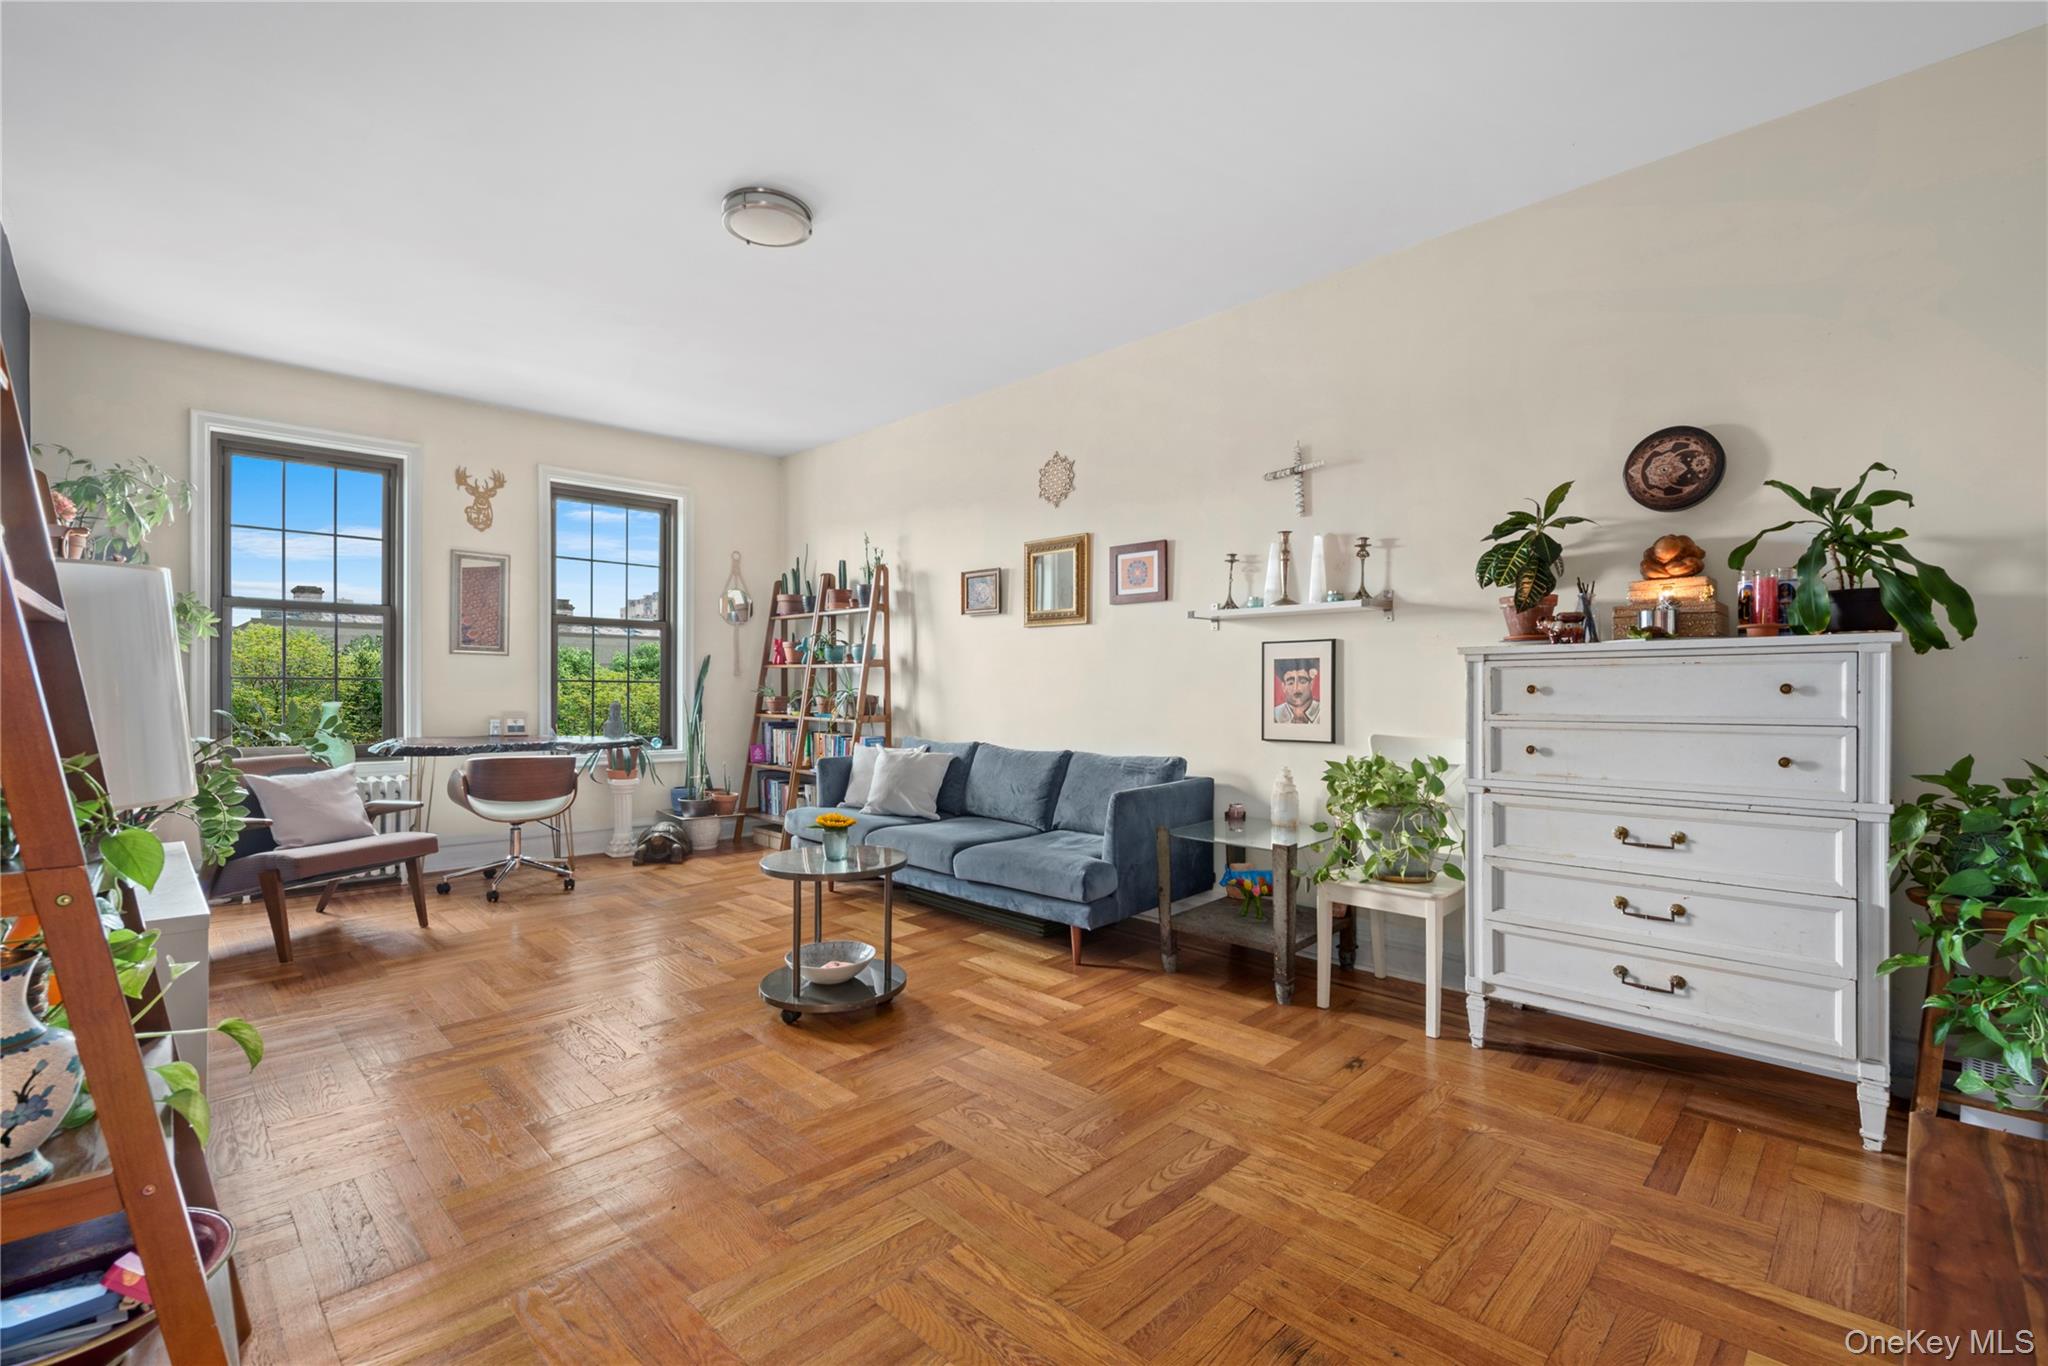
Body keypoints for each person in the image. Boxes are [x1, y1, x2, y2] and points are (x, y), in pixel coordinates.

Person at [1272, 658, 1320, 725]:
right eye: (1290, 683)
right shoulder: (1275, 715)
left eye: (1302, 681)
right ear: (1283, 687)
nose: (1296, 688)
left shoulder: (1322, 711)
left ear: (1311, 684)